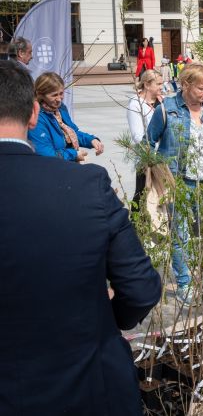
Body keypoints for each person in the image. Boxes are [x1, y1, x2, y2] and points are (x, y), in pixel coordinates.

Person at [0, 59, 161, 415]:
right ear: (32, 114)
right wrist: (106, 315)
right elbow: (142, 286)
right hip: (89, 383)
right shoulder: (88, 185)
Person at [146, 63, 203, 304]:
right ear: (185, 85)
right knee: (180, 235)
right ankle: (184, 283)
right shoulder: (167, 109)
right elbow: (148, 142)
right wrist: (156, 172)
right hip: (177, 183)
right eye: (201, 88)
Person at [28, 72, 104, 161]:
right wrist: (74, 154)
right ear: (40, 95)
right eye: (54, 95)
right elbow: (45, 154)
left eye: (61, 93)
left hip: (66, 164)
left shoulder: (60, 108)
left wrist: (91, 140)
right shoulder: (36, 117)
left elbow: (72, 132)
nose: (59, 99)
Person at [126, 69, 164, 212]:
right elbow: (137, 136)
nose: (162, 87)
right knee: (142, 195)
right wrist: (152, 156)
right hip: (146, 158)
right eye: (158, 84)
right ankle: (136, 227)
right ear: (147, 85)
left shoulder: (161, 102)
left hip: (162, 158)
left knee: (159, 197)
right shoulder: (136, 105)